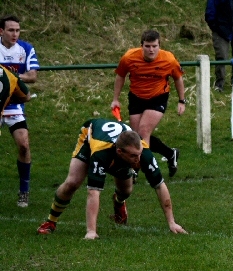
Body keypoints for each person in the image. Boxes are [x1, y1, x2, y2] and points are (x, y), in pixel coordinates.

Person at [37, 118, 187, 239]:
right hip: (90, 139)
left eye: (140, 154)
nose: (138, 159)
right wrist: (91, 231)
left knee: (126, 191)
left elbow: (160, 186)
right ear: (120, 152)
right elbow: (93, 192)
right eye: (134, 156)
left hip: (116, 150)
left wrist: (171, 222)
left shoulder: (142, 153)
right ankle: (51, 221)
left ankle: (118, 202)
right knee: (72, 183)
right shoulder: (101, 153)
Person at [111, 30, 185, 177]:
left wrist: (182, 100)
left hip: (158, 97)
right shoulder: (129, 57)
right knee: (136, 136)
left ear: (159, 46)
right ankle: (170, 154)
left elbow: (178, 78)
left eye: (154, 46)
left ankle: (140, 169)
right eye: (147, 46)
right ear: (141, 46)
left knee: (144, 132)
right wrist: (115, 99)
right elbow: (120, 76)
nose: (151, 50)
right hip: (136, 97)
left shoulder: (168, 59)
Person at [0, 14, 39, 207]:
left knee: (24, 144)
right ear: (1, 31)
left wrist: (9, 77)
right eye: (10, 30)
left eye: (17, 30)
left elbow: (32, 76)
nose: (15, 34)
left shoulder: (26, 48)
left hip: (14, 105)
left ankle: (24, 191)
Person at [205, 0, 233, 92]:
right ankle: (219, 85)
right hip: (221, 31)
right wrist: (215, 28)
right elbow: (210, 14)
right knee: (221, 57)